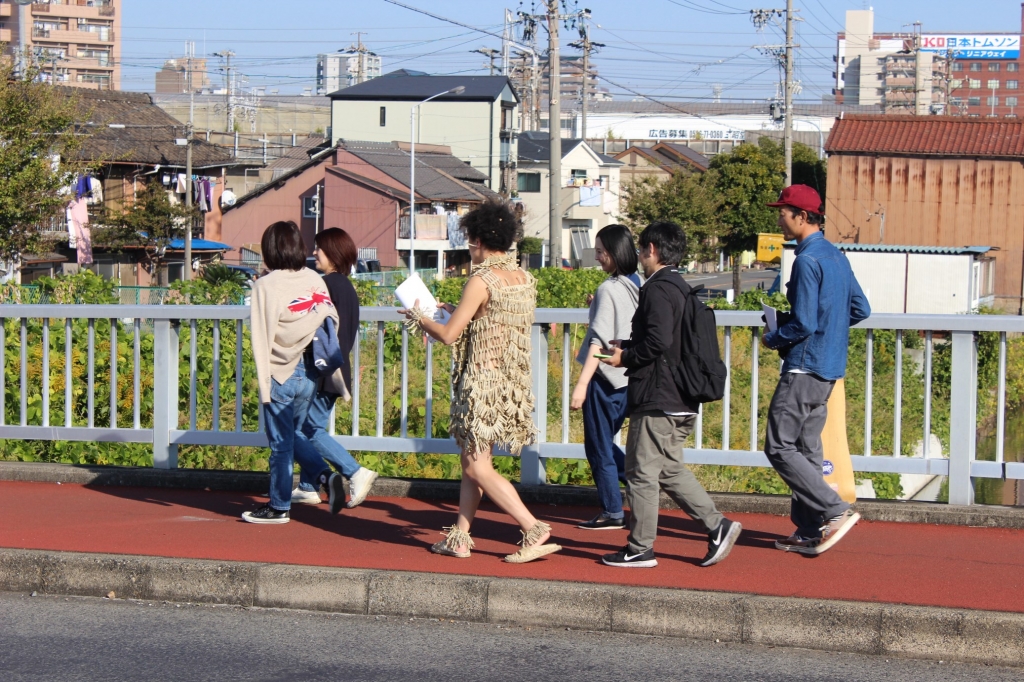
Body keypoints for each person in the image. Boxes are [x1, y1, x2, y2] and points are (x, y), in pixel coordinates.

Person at [400, 201, 560, 564]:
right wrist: (451, 310)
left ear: (479, 240)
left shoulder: (481, 279)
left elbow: (448, 335)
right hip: (511, 382)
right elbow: (489, 321)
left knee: (476, 465)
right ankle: (460, 537)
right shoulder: (522, 278)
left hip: (482, 382)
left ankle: (533, 528)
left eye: (470, 243)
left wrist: (419, 316)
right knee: (472, 460)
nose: (469, 250)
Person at [600, 221, 741, 568]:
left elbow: (659, 342)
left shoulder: (658, 288)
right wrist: (631, 345)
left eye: (642, 249)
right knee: (668, 470)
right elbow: (669, 342)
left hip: (658, 396)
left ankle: (640, 547)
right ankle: (717, 526)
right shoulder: (680, 287)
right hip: (681, 396)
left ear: (651, 250)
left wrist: (625, 356)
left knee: (641, 473)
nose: (639, 255)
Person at [761, 184, 871, 555]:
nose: (779, 217)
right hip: (829, 367)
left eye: (783, 212)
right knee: (807, 448)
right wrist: (831, 330)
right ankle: (809, 529)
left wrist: (774, 337)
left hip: (804, 367)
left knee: (778, 446)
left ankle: (834, 510)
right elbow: (861, 309)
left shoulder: (806, 260)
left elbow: (804, 323)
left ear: (802, 217)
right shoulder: (836, 256)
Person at [244, 220, 341, 524]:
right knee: (294, 435)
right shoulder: (314, 277)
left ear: (270, 250)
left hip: (281, 370)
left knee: (281, 444)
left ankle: (279, 506)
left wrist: (263, 383)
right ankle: (323, 477)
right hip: (311, 370)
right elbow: (330, 318)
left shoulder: (265, 285)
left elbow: (261, 335)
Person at [290, 228, 379, 514]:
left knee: (307, 429)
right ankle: (307, 486)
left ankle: (354, 472)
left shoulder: (326, 284)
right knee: (308, 426)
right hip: (337, 368)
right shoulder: (345, 286)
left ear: (333, 253)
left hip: (322, 368)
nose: (315, 253)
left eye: (320, 249)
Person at [569, 224, 640, 530]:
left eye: (600, 251)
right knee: (604, 442)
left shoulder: (608, 288)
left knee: (598, 445)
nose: (596, 257)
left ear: (613, 253)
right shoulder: (636, 283)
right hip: (629, 375)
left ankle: (613, 510)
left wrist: (581, 385)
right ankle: (637, 482)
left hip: (604, 376)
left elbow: (598, 341)